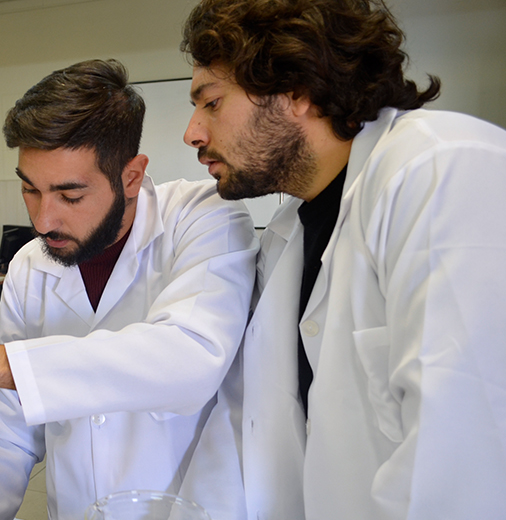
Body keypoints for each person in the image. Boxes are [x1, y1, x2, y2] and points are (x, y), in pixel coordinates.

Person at [178, 0, 506, 519]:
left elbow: (461, 453)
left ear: (298, 91)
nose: (192, 132)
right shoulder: (289, 234)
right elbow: (249, 424)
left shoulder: (442, 168)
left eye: (212, 103)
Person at [0, 59, 258, 520]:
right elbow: (7, 435)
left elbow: (191, 357)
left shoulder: (203, 217)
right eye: (30, 190)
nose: (44, 220)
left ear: (131, 176)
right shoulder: (31, 266)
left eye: (70, 196)